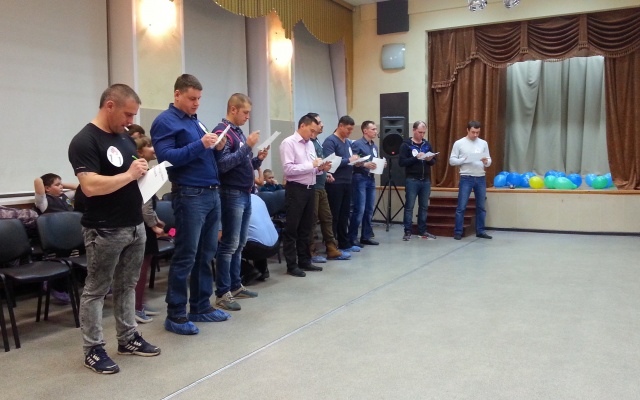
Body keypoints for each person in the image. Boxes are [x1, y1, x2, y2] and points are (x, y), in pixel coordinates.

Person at [68, 83, 160, 374]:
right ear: (110, 105)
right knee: (96, 290)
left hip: (133, 224)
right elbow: (90, 186)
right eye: (127, 114)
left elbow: (129, 175)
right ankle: (93, 349)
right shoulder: (84, 140)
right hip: (104, 228)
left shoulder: (123, 138)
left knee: (127, 285)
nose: (131, 121)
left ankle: (128, 337)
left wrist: (143, 172)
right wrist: (130, 174)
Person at [151, 74, 230, 336]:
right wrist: (200, 144)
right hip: (190, 193)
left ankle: (200, 306)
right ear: (177, 94)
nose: (197, 103)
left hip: (211, 191)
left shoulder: (196, 121)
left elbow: (202, 153)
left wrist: (216, 147)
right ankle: (175, 313)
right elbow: (166, 158)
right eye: (192, 98)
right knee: (186, 255)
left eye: (199, 98)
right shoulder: (165, 121)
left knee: (206, 254)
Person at [212, 93, 268, 312]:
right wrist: (247, 146)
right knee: (229, 244)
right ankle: (223, 292)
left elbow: (241, 164)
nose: (247, 117)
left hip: (244, 193)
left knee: (239, 243)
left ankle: (235, 286)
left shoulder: (237, 132)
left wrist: (258, 159)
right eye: (245, 112)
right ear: (233, 110)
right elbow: (223, 165)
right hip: (231, 193)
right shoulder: (222, 132)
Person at [280, 114, 332, 277]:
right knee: (292, 229)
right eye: (311, 130)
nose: (313, 134)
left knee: (307, 228)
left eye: (315, 132)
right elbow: (288, 169)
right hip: (296, 189)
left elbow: (312, 168)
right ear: (302, 125)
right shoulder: (289, 143)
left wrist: (320, 168)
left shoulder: (310, 144)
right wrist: (311, 165)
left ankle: (305, 260)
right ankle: (291, 265)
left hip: (311, 188)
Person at [307, 112, 350, 263]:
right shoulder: (308, 143)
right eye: (319, 122)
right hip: (312, 186)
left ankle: (332, 248)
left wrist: (326, 174)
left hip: (321, 184)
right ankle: (310, 252)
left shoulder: (317, 141)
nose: (322, 124)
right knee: (312, 220)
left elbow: (320, 164)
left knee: (327, 218)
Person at [133, 136, 164, 323]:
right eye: (149, 146)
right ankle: (136, 308)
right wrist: (153, 225)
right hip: (143, 226)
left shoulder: (146, 171)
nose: (154, 149)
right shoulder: (143, 172)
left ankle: (140, 304)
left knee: (144, 267)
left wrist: (156, 220)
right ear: (139, 152)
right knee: (140, 268)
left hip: (145, 224)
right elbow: (144, 205)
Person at [34, 173, 77, 305]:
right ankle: (55, 286)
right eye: (57, 185)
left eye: (61, 184)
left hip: (70, 235)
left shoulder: (66, 196)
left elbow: (80, 187)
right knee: (62, 258)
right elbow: (37, 181)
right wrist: (44, 182)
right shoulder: (43, 201)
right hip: (54, 238)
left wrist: (61, 184)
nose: (61, 187)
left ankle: (96, 282)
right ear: (47, 188)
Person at [322, 115, 361, 252]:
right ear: (340, 126)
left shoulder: (348, 142)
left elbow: (348, 160)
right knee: (334, 215)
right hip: (335, 183)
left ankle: (344, 243)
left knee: (345, 214)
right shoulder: (330, 141)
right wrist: (349, 160)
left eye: (352, 129)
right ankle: (332, 245)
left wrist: (356, 162)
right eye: (348, 129)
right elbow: (330, 163)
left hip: (347, 181)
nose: (350, 132)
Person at [449, 120, 492, 240]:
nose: (475, 135)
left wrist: (486, 161)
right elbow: (452, 160)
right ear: (467, 130)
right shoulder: (459, 143)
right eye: (473, 132)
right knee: (461, 206)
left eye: (478, 132)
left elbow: (489, 161)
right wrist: (463, 160)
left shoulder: (483, 143)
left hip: (480, 177)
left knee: (481, 206)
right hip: (466, 177)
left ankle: (480, 231)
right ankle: (458, 231)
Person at [399, 121, 437, 241]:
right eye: (420, 132)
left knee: (424, 207)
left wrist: (430, 159)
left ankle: (422, 230)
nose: (422, 135)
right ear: (414, 130)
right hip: (412, 179)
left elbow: (433, 161)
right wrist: (416, 158)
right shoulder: (406, 145)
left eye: (424, 132)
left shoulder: (427, 144)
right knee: (409, 206)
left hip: (425, 180)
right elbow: (402, 162)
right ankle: (407, 231)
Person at [348, 120, 381, 246]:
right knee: (359, 209)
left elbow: (373, 161)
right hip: (360, 178)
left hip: (371, 178)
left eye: (376, 129)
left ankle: (366, 236)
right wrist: (364, 164)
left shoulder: (374, 146)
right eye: (373, 129)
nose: (376, 131)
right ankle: (352, 237)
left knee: (369, 209)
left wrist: (379, 164)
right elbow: (353, 161)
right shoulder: (357, 144)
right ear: (365, 130)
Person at [240, 193, 280, 285]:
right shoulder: (257, 198)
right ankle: (263, 270)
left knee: (221, 247)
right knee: (256, 234)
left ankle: (248, 271)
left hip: (256, 248)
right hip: (275, 244)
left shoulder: (234, 202)